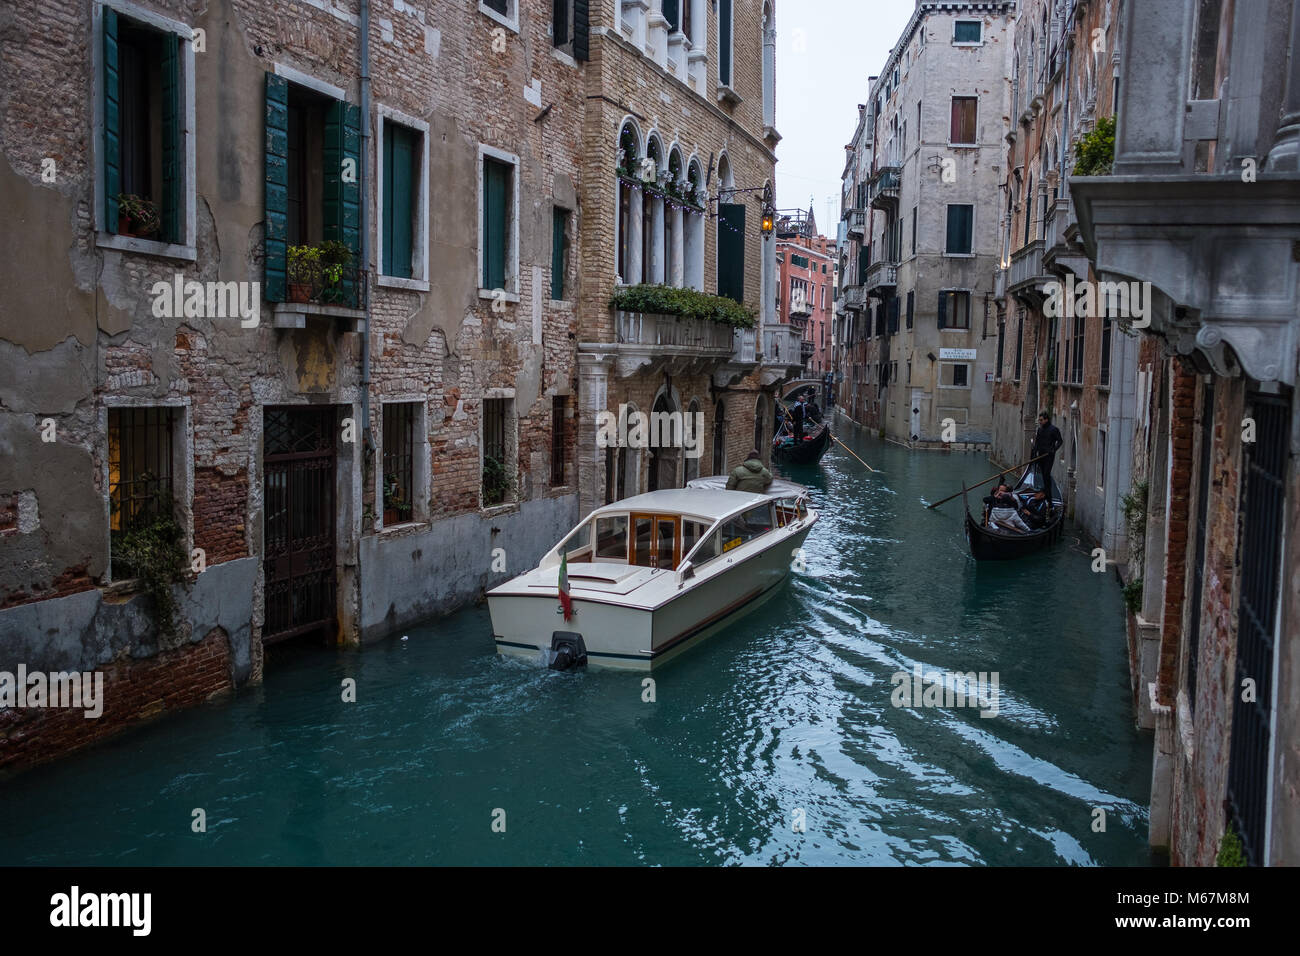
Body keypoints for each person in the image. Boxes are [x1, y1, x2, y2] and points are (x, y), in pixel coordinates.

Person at [1030, 412, 1063, 491]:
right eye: (1039, 420)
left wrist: (1053, 450)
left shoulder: (1054, 429)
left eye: (1041, 420)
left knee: (1046, 473)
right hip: (1041, 455)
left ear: (1046, 420)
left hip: (1049, 456)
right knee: (1042, 474)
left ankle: (1048, 493)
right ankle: (1045, 490)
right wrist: (1034, 454)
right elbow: (1037, 442)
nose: (1040, 422)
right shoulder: (1040, 430)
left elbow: (1060, 441)